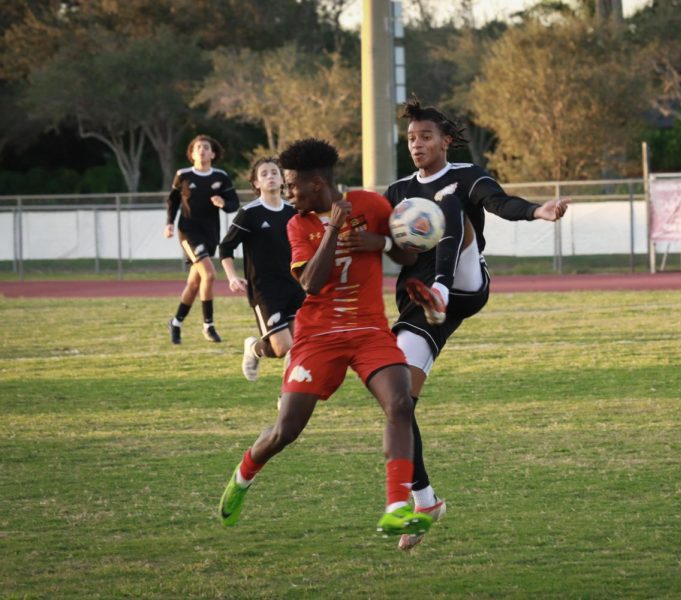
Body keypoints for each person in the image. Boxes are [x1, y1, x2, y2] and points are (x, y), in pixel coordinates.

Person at [218, 138, 432, 538]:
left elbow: (409, 256)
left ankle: (397, 506)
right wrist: (334, 226)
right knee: (287, 430)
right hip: (317, 336)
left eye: (292, 186)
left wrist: (382, 242)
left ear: (316, 183)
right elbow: (312, 284)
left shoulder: (371, 204)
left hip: (369, 329)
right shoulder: (297, 224)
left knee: (400, 404)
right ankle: (244, 474)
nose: (287, 194)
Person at [383, 96, 569, 550]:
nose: (417, 144)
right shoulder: (398, 191)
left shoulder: (466, 176)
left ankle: (441, 291)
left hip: (464, 286)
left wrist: (535, 212)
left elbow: (499, 202)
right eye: (411, 138)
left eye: (426, 136)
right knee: (397, 402)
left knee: (449, 205)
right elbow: (381, 240)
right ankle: (424, 500)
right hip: (418, 303)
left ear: (446, 140)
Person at [219, 157, 305, 381]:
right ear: (256, 183)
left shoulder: (293, 211)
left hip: (294, 286)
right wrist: (232, 277)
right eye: (264, 174)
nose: (270, 176)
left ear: (282, 179)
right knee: (282, 348)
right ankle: (254, 348)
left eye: (274, 172)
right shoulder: (250, 213)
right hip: (264, 291)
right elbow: (225, 248)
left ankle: (286, 399)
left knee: (300, 347)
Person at [164, 134, 240, 344]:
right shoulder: (183, 175)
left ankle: (176, 322)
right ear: (191, 153)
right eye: (198, 147)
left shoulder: (221, 177)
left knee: (195, 282)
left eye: (206, 147)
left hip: (210, 234)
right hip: (188, 232)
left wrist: (222, 203)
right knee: (209, 274)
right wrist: (169, 223)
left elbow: (234, 204)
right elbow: (173, 201)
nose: (202, 150)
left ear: (213, 153)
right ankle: (208, 325)